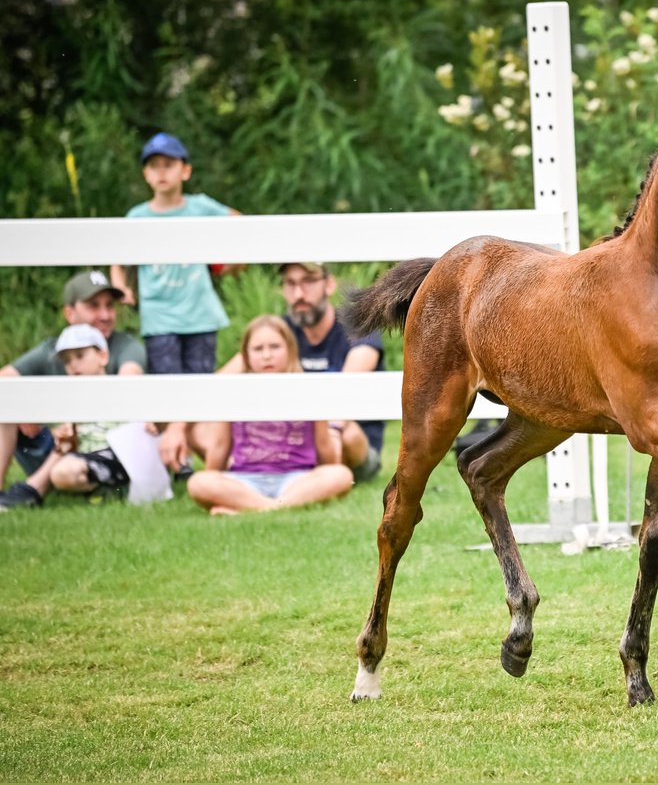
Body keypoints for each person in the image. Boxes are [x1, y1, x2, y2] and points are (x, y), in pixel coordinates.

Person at [209, 262, 385, 483]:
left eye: (308, 282)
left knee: (346, 432)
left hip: (345, 438)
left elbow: (346, 390)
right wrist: (180, 423)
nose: (299, 293)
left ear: (329, 285)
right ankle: (259, 474)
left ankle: (319, 477)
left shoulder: (356, 327)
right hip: (289, 444)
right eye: (290, 284)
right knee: (200, 427)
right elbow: (219, 384)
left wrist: (331, 428)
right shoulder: (278, 332)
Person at [0, 270, 147, 510]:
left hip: (101, 442)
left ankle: (33, 490)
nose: (106, 315)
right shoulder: (52, 348)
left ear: (102, 356)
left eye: (110, 306)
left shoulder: (126, 346)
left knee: (74, 437)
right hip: (59, 440)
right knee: (5, 402)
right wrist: (28, 407)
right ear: (70, 312)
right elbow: (4, 380)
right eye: (93, 306)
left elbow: (126, 389)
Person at [186, 316, 353, 515]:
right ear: (246, 356)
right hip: (245, 481)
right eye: (258, 349)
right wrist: (212, 484)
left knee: (341, 475)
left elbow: (325, 449)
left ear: (290, 350)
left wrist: (330, 475)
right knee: (198, 482)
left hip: (297, 479)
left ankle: (255, 508)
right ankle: (275, 507)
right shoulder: (232, 394)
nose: (267, 355)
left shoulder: (308, 391)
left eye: (275, 347)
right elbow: (220, 448)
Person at [112, 132, 239, 375]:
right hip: (159, 316)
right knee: (168, 390)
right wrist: (123, 288)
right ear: (145, 174)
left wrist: (229, 263)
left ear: (185, 171)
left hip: (199, 312)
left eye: (169, 165)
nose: (161, 172)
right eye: (154, 166)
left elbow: (240, 224)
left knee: (199, 389)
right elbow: (117, 260)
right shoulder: (137, 217)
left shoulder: (201, 207)